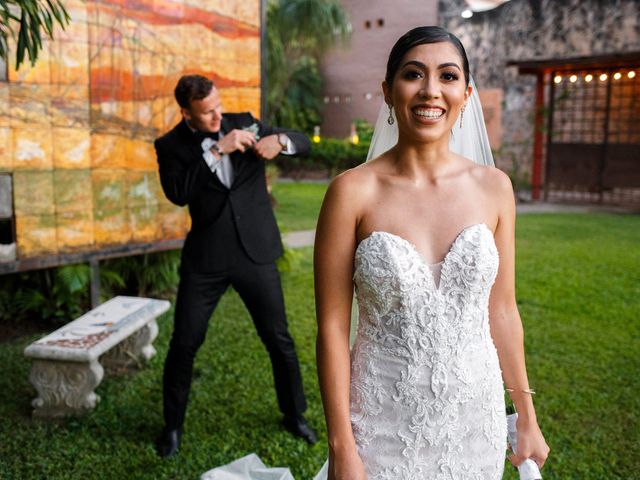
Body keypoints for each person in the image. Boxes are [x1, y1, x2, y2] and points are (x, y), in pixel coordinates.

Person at [314, 26, 549, 479]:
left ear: (466, 93)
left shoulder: (495, 188)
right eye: (413, 74)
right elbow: (331, 327)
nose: (430, 91)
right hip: (381, 423)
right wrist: (342, 445)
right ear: (387, 91)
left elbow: (501, 310)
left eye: (447, 76)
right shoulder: (351, 193)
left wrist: (526, 417)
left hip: (474, 421)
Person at [154, 74, 316, 458]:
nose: (217, 116)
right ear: (186, 113)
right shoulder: (171, 145)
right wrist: (217, 150)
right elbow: (177, 193)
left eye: (218, 107)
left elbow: (303, 142)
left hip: (254, 253)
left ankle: (294, 414)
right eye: (207, 113)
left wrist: (281, 141)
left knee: (279, 339)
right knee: (184, 344)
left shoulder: (244, 119)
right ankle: (172, 427)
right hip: (205, 260)